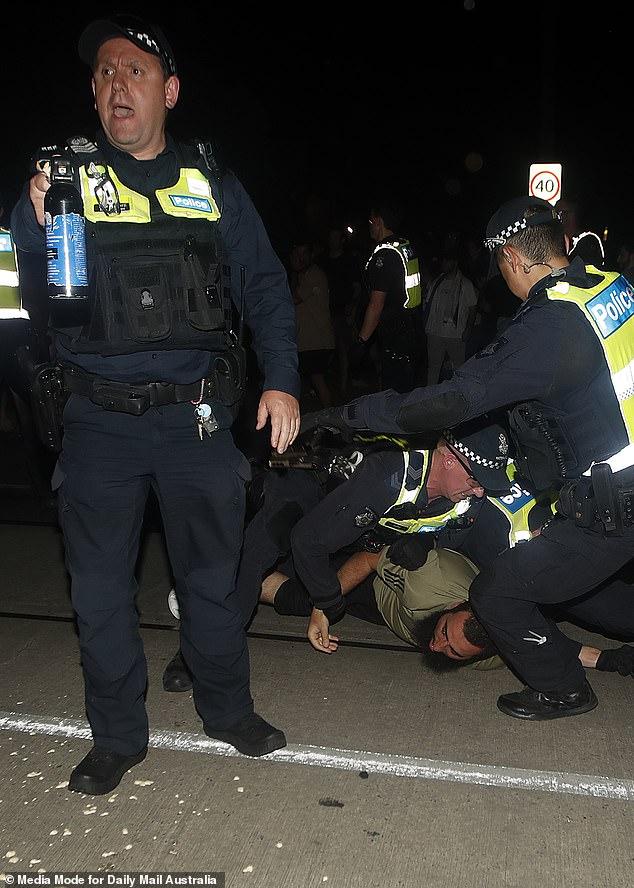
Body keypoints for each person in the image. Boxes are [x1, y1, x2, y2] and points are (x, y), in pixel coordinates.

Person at [10, 14, 300, 795]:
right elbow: (24, 298)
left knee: (211, 579)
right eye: (104, 74)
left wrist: (282, 379)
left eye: (133, 71)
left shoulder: (213, 184)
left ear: (169, 91)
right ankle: (116, 736)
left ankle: (228, 709)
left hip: (198, 420)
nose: (115, 86)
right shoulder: (60, 184)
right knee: (100, 592)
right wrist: (33, 227)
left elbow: (265, 286)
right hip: (97, 421)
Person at [302, 195, 634, 721]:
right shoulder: (610, 288)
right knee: (597, 600)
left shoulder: (547, 327)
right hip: (611, 495)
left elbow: (448, 401)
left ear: (511, 261)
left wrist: (347, 415)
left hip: (610, 507)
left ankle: (565, 689)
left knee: (497, 593)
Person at [162, 416, 512, 688]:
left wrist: (423, 543)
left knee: (312, 587)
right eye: (475, 480)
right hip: (309, 474)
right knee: (263, 546)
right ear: (449, 458)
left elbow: (447, 547)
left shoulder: (467, 500)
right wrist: (327, 604)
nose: (479, 492)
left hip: (357, 526)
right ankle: (199, 651)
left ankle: (220, 586)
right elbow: (308, 541)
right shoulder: (391, 475)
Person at [354, 200, 422, 392]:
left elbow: (376, 305)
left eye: (370, 220)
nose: (369, 225)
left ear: (379, 221)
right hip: (413, 327)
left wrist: (361, 341)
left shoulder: (385, 255)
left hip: (397, 335)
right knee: (405, 390)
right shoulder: (405, 246)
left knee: (395, 396)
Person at [423, 234, 478, 384]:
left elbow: (472, 308)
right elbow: (427, 303)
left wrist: (468, 329)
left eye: (447, 261)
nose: (444, 263)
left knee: (459, 369)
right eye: (443, 260)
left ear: (455, 263)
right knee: (433, 368)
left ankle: (457, 400)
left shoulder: (465, 284)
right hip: (435, 332)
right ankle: (429, 399)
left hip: (456, 334)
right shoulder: (436, 282)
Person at [289, 237, 335, 408]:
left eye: (304, 254)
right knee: (305, 381)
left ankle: (331, 419)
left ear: (311, 255)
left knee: (317, 379)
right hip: (305, 341)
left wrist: (294, 272)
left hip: (317, 340)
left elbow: (293, 298)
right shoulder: (303, 275)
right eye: (297, 253)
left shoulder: (315, 274)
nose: (300, 258)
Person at [319, 226, 363, 397]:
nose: (332, 240)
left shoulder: (348, 261)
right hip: (323, 312)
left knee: (343, 349)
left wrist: (352, 307)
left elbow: (357, 287)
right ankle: (320, 381)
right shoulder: (322, 260)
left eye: (336, 237)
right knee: (324, 348)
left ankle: (344, 386)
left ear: (342, 240)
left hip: (341, 312)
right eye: (330, 237)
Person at [555, 198, 605, 268]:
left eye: (558, 213)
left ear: (571, 215)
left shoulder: (588, 241)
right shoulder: (558, 242)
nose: (555, 218)